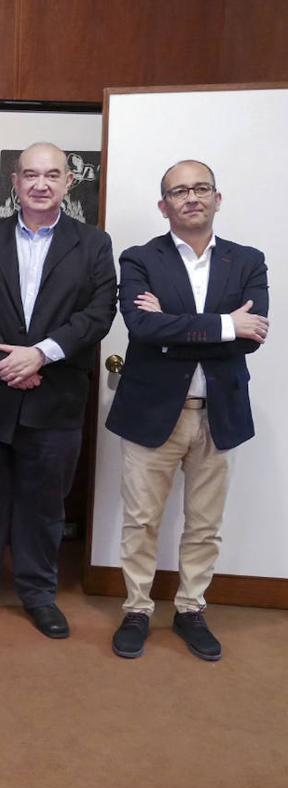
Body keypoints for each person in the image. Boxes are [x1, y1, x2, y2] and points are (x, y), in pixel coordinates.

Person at [105, 160, 269, 661]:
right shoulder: (139, 258)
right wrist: (224, 326)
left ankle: (190, 607)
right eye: (179, 191)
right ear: (164, 206)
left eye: (201, 188)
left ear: (218, 198)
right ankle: (136, 608)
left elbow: (255, 335)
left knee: (204, 522)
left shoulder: (247, 261)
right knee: (141, 520)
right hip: (153, 409)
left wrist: (177, 324)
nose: (191, 197)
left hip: (218, 411)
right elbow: (143, 328)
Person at [0, 142, 116, 638]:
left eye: (51, 175)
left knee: (45, 505)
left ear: (69, 182)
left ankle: (39, 593)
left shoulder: (93, 244)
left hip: (56, 398)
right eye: (30, 175)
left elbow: (98, 313)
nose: (40, 184)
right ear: (15, 183)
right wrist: (10, 364)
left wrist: (40, 354)